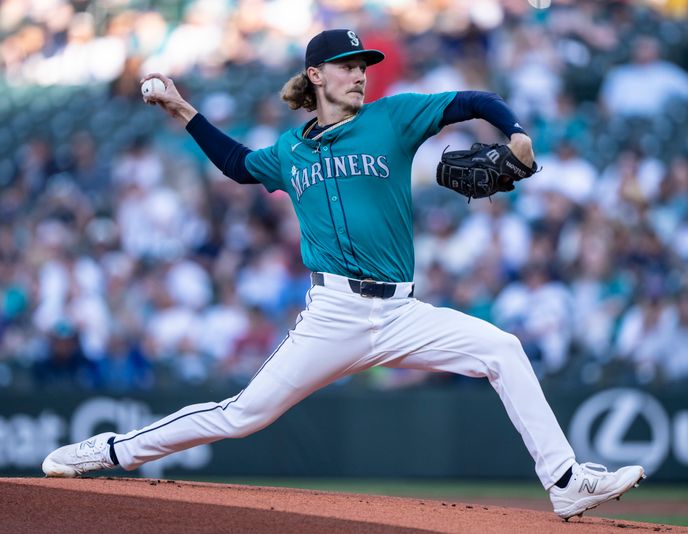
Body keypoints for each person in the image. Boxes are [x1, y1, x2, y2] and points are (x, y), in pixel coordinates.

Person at [42, 28, 644, 520]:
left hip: (403, 312)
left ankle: (564, 480)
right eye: (348, 64)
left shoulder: (392, 118)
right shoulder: (289, 151)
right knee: (243, 415)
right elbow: (236, 165)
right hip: (334, 313)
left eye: (364, 64)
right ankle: (111, 450)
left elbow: (471, 102)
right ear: (316, 76)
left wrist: (516, 134)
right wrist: (183, 109)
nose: (361, 73)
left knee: (502, 349)